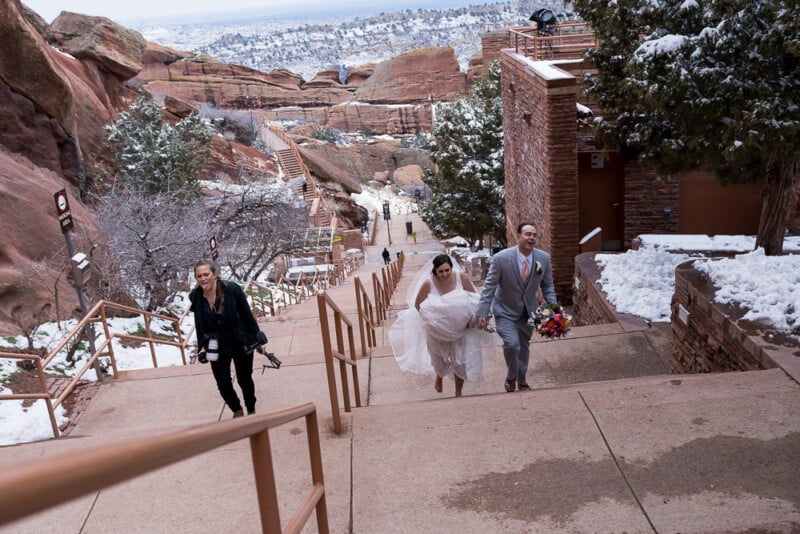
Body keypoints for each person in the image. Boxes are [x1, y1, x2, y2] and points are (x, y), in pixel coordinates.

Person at [389, 254, 499, 397]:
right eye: (441, 271)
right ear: (435, 271)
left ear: (451, 268)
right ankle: (439, 375)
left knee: (459, 359)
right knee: (439, 359)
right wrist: (433, 320)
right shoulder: (428, 283)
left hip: (460, 328)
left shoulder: (461, 277)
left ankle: (458, 391)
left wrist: (472, 318)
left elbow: (474, 299)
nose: (445, 274)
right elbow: (418, 305)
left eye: (447, 270)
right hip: (438, 329)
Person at [476, 222, 557, 393]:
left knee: (523, 347)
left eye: (534, 235)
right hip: (505, 311)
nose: (532, 238)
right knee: (512, 345)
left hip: (528, 312)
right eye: (528, 234)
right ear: (518, 236)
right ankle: (511, 377)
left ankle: (522, 381)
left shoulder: (543, 259)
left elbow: (547, 285)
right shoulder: (501, 259)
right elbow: (489, 287)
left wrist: (553, 308)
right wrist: (482, 312)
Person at [189, 259, 267, 418]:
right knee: (222, 382)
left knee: (244, 379)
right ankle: (237, 410)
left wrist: (258, 341)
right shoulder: (195, 296)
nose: (203, 279)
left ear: (214, 274)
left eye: (206, 274)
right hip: (214, 345)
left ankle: (251, 408)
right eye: (199, 276)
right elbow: (200, 323)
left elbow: (247, 316)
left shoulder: (231, 290)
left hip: (239, 340)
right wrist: (202, 346)